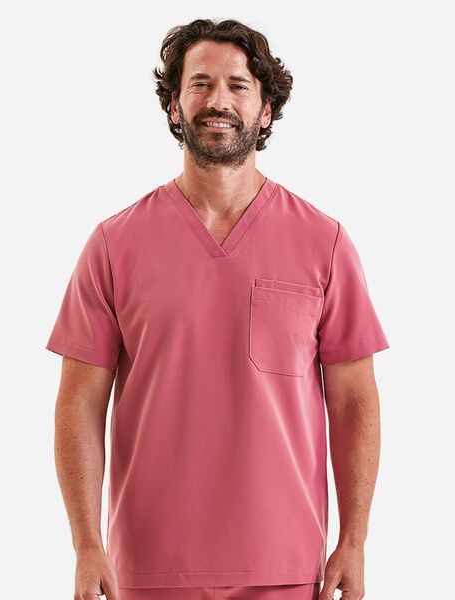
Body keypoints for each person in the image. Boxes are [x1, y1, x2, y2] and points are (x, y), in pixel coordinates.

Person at [46, 18, 389, 600]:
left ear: (266, 110)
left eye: (238, 85)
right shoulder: (113, 245)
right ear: (175, 106)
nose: (218, 100)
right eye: (200, 84)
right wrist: (85, 544)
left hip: (285, 566)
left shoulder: (324, 242)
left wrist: (354, 541)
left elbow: (355, 399)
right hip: (148, 568)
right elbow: (79, 402)